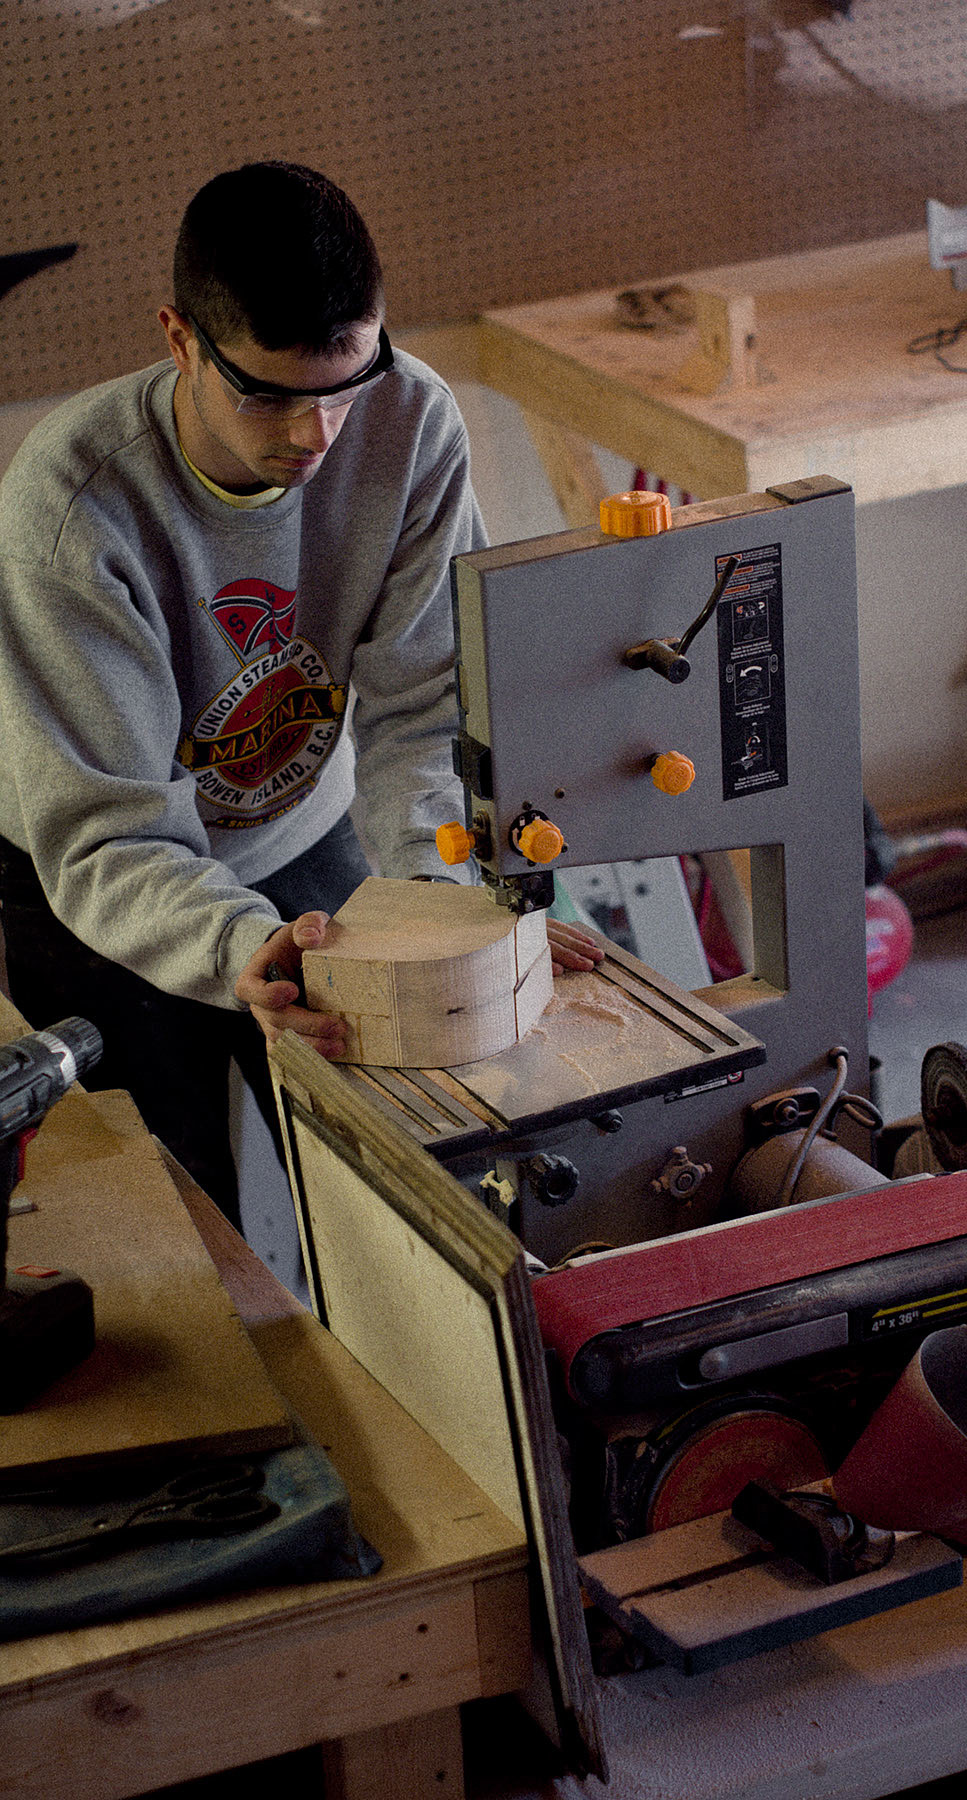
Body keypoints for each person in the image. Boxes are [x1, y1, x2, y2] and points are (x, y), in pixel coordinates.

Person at [0, 161, 598, 1225]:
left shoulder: (410, 421)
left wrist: (459, 910)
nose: (315, 437)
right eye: (268, 393)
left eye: (343, 386)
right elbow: (111, 834)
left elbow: (426, 711)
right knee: (184, 1220)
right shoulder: (69, 508)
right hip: (97, 882)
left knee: (402, 1171)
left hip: (302, 828)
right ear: (181, 340)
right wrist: (239, 951)